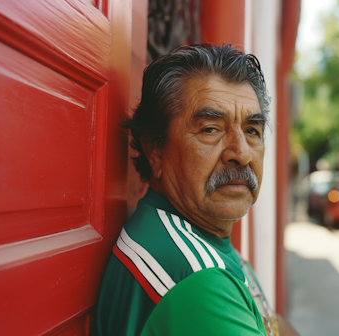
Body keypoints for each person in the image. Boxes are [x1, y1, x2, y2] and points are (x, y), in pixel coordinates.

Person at [94, 44, 299, 336]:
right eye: (211, 129)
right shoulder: (198, 278)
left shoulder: (200, 237)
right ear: (155, 149)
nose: (242, 153)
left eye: (252, 131)